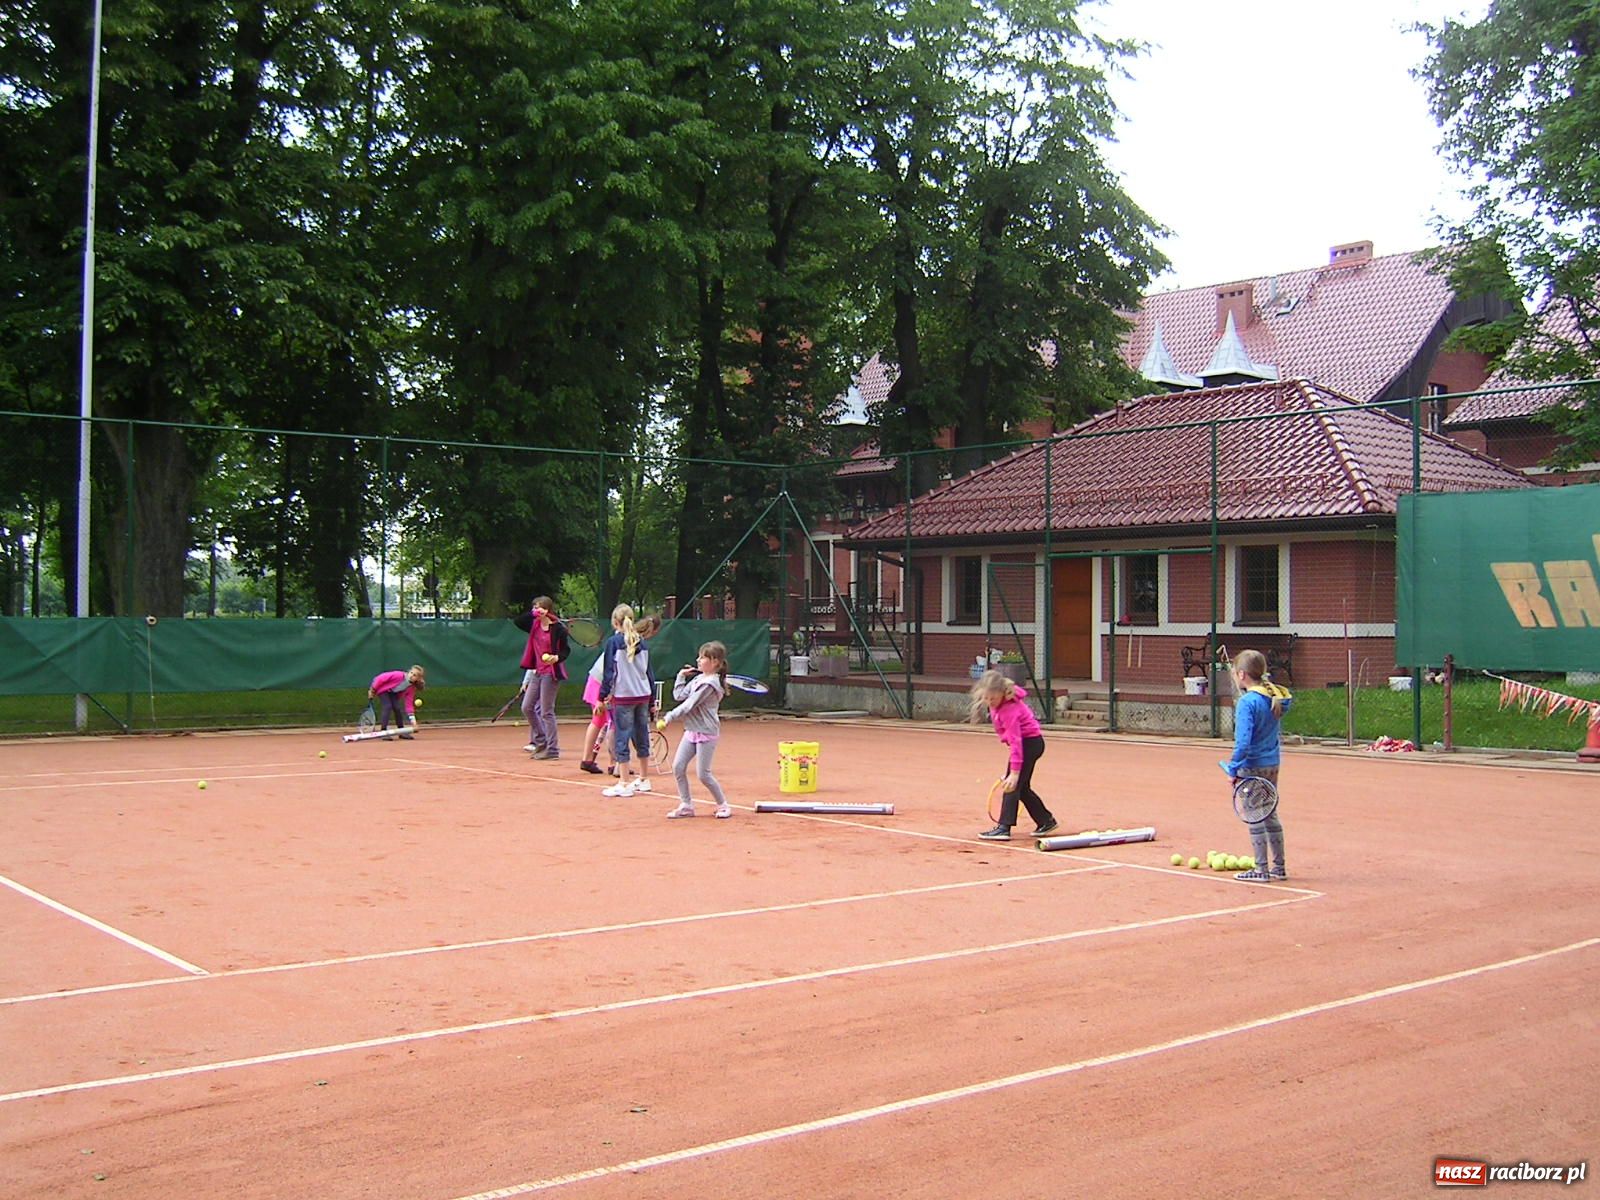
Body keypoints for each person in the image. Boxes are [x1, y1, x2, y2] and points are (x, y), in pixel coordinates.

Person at [1219, 650, 1293, 882]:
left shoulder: (1247, 703)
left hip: (1252, 766)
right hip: (1272, 764)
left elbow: (1243, 742)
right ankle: (1278, 867)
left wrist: (1233, 769)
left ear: (1242, 674)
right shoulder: (1274, 697)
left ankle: (1261, 869)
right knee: (1270, 813)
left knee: (1254, 815)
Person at [972, 669, 1056, 841]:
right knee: (1022, 787)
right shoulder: (998, 704)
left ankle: (1004, 827)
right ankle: (1046, 820)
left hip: (1028, 744)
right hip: (1030, 744)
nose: (989, 702)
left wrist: (1015, 772)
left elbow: (1016, 742)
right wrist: (1014, 772)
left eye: (993, 698)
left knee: (1012, 785)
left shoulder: (1009, 710)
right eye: (986, 698)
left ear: (1002, 693)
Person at [658, 641, 732, 819]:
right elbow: (679, 696)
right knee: (678, 767)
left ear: (714, 662)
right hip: (691, 730)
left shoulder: (710, 684)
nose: (698, 660)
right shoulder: (699, 679)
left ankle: (723, 805)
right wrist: (681, 676)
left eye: (703, 657)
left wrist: (668, 717)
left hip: (706, 731)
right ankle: (686, 805)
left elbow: (689, 705)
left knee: (703, 774)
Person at [578, 614, 659, 775]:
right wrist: (606, 694)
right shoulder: (632, 643)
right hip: (607, 684)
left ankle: (589, 760)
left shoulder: (620, 638)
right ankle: (614, 764)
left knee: (601, 721)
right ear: (652, 632)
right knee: (613, 724)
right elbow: (616, 671)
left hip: (599, 680)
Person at [598, 604, 656, 797]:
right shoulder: (643, 643)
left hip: (624, 697)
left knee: (622, 735)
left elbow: (609, 672)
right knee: (641, 734)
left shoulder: (613, 642)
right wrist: (652, 699)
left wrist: (601, 696)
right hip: (643, 695)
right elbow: (649, 674)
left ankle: (624, 782)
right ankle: (644, 778)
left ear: (615, 622)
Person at [513, 596, 571, 759]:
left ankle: (552, 749)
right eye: (535, 607)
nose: (538, 610)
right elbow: (518, 621)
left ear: (548, 609)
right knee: (527, 707)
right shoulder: (534, 624)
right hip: (537, 672)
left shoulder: (557, 628)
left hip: (551, 673)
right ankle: (541, 741)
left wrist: (557, 658)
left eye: (541, 607)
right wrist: (533, 614)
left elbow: (566, 650)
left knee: (546, 711)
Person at [368, 665, 425, 739]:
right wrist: (372, 690)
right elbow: (380, 678)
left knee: (397, 708)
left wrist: (413, 723)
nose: (411, 675)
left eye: (414, 675)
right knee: (388, 706)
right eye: (411, 673)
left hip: (393, 693)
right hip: (383, 690)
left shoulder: (411, 688)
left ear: (418, 679)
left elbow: (409, 705)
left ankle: (401, 732)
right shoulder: (399, 675)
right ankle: (383, 731)